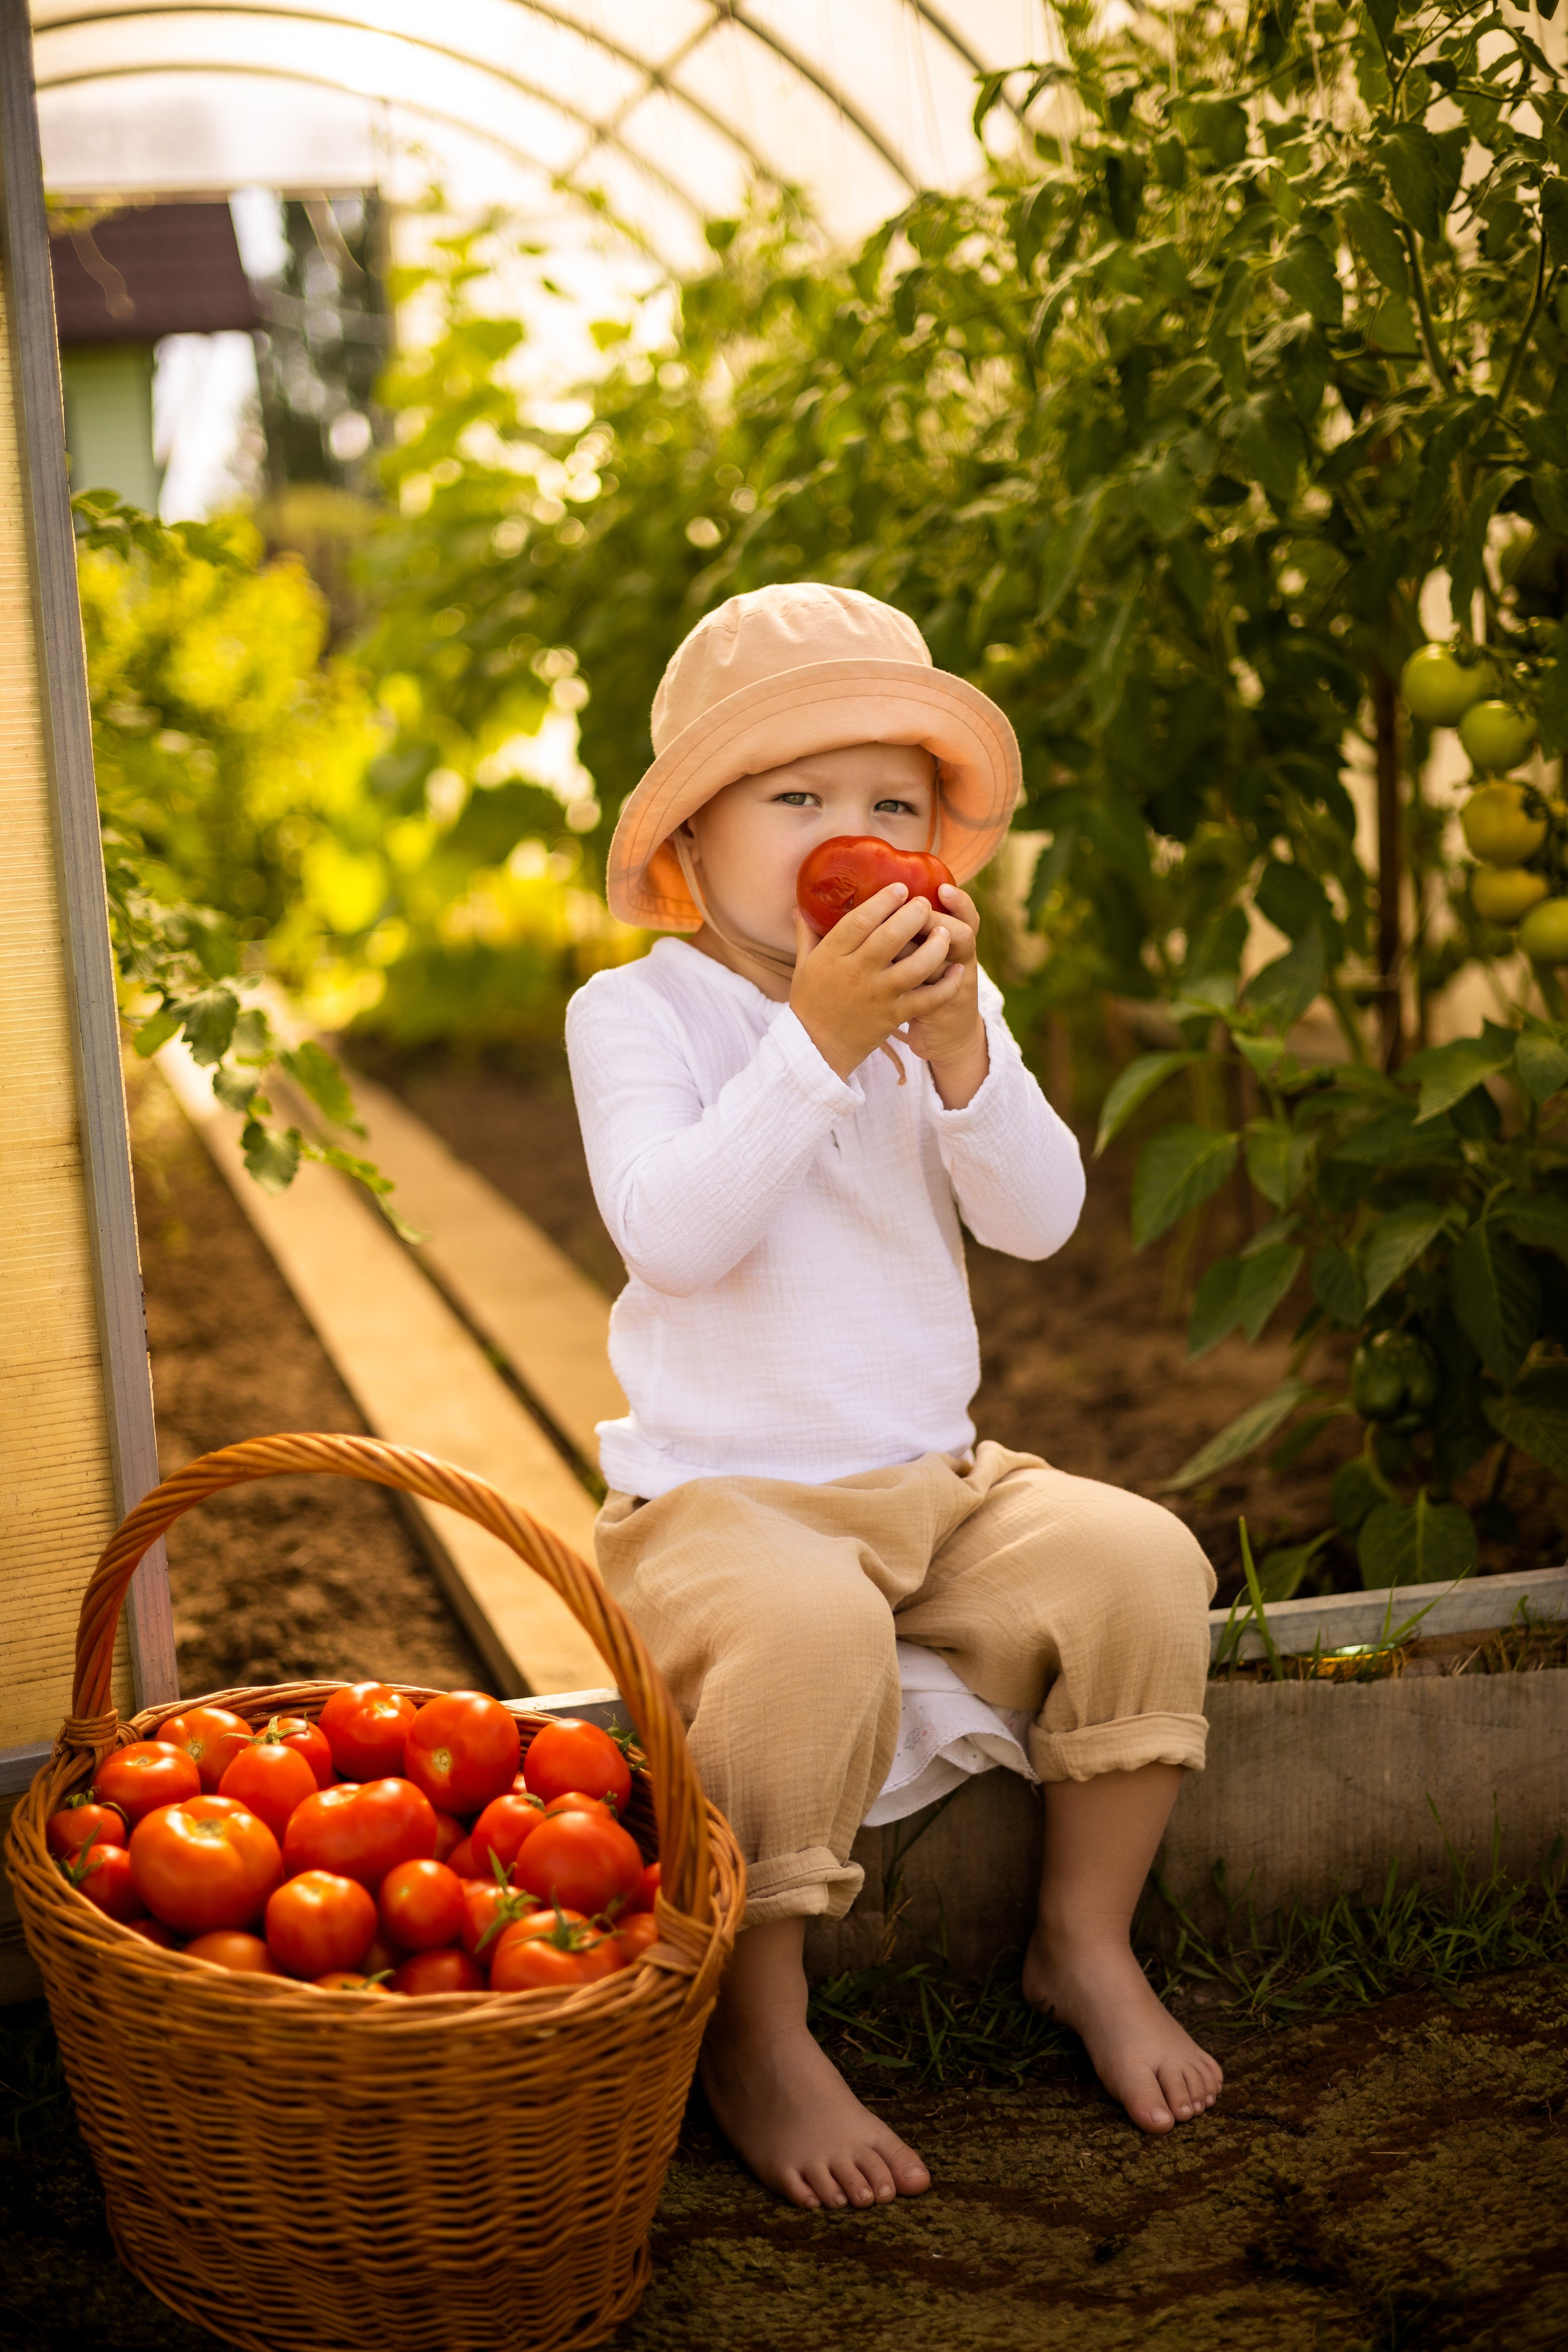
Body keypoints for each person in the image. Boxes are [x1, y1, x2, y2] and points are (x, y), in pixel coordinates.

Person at [565, 582, 1221, 2215]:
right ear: (693, 846)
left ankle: (1081, 1943)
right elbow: (676, 1231)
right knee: (808, 1636)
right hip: (719, 1509)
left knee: (1144, 1562)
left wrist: (958, 1057)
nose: (849, 833)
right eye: (796, 800)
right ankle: (759, 2027)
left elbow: (1041, 1217)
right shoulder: (638, 1012)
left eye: (891, 804)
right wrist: (814, 1041)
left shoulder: (948, 1002)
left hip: (940, 1482)